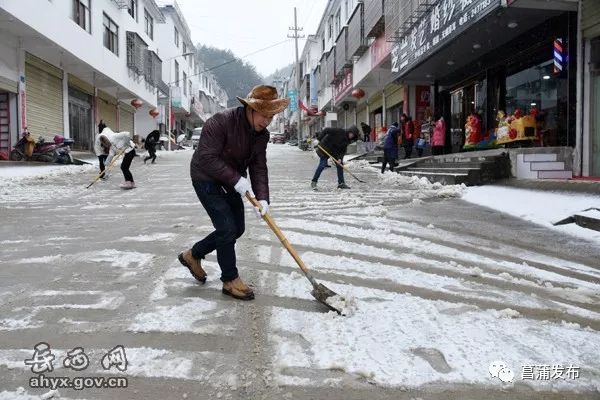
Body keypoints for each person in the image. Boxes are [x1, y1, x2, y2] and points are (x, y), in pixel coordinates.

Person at [178, 85, 289, 301]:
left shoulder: (261, 136)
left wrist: (263, 197)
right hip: (206, 177)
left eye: (271, 116)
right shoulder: (220, 121)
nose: (266, 121)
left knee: (237, 228)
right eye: (264, 115)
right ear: (250, 108)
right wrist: (236, 179)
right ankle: (230, 280)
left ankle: (193, 254)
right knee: (226, 228)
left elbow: (258, 166)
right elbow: (207, 158)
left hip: (231, 180)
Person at [311, 125, 359, 190]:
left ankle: (341, 183)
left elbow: (342, 151)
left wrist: (340, 158)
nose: (351, 136)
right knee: (322, 165)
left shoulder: (347, 140)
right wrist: (318, 139)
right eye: (351, 134)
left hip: (334, 152)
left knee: (340, 165)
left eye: (353, 135)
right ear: (349, 131)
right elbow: (326, 130)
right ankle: (314, 181)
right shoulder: (339, 131)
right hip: (324, 148)